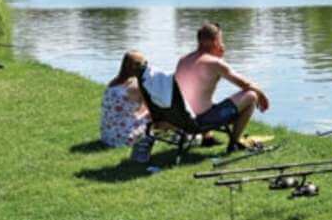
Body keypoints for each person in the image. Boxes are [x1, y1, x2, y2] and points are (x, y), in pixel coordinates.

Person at [176, 21, 270, 152]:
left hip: (182, 117)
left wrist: (218, 58)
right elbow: (245, 85)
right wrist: (262, 95)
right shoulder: (215, 63)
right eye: (221, 39)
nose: (221, 43)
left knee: (202, 98)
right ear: (215, 42)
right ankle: (234, 143)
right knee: (251, 96)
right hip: (202, 120)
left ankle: (207, 138)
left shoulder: (183, 60)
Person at [100, 50, 156, 148]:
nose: (146, 66)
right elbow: (151, 104)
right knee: (153, 111)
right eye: (144, 64)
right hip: (124, 138)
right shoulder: (134, 86)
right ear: (135, 67)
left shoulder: (113, 82)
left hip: (107, 135)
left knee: (143, 111)